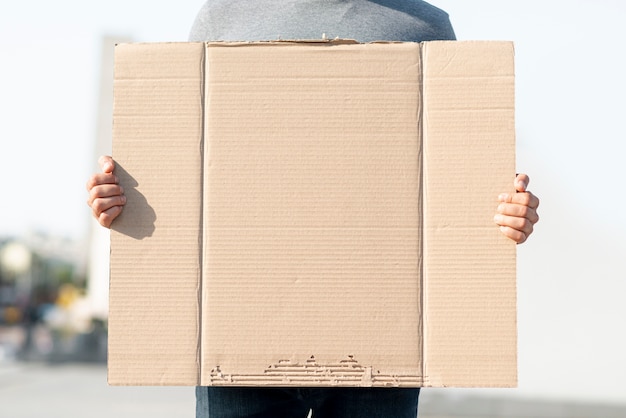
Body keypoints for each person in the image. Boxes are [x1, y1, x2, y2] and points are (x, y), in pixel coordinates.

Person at [86, 1, 540, 417]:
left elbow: (455, 174)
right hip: (241, 342)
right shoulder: (222, 16)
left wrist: (505, 214)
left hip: (381, 348)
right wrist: (119, 201)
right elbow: (183, 164)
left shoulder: (423, 25)